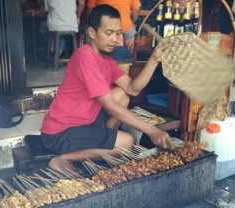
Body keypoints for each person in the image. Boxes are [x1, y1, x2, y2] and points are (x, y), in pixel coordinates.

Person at [39, 4, 174, 172]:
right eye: (108, 33)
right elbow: (110, 106)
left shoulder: (107, 62)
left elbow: (133, 89)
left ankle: (105, 139)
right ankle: (62, 159)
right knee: (127, 142)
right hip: (60, 132)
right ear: (92, 33)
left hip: (86, 123)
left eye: (118, 33)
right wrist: (152, 130)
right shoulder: (84, 56)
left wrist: (153, 60)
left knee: (123, 94)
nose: (115, 40)